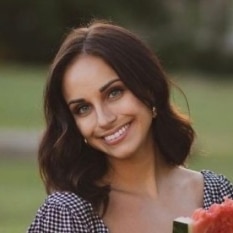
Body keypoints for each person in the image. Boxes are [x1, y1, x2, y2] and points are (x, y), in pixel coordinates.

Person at [27, 20, 233, 233]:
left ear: (148, 87)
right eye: (83, 108)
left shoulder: (216, 193)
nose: (104, 119)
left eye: (114, 93)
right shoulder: (66, 213)